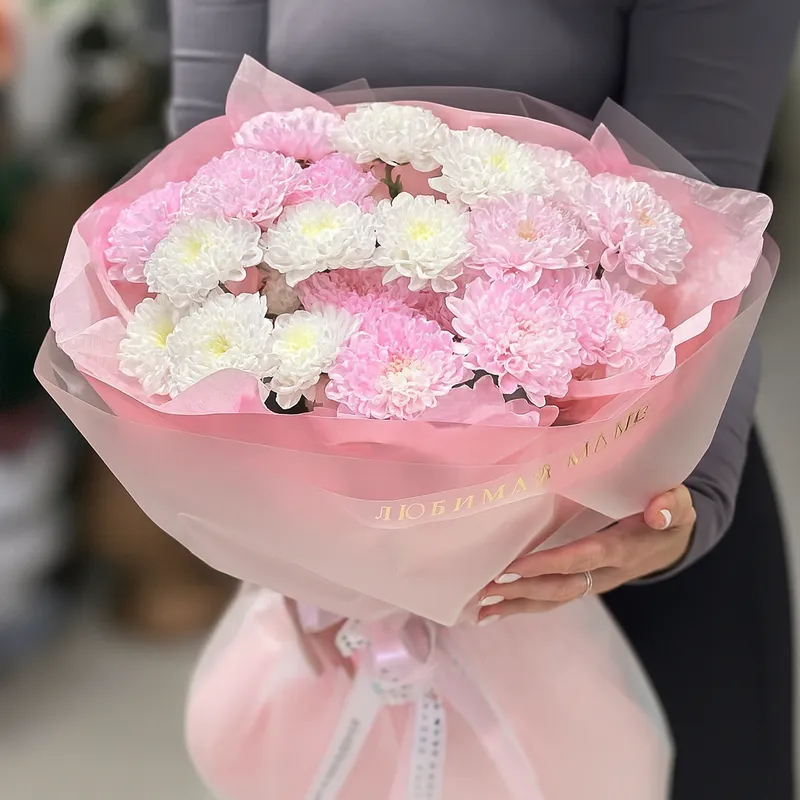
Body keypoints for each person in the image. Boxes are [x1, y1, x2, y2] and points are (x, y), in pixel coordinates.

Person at [169, 1, 799, 796]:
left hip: (608, 505)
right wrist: (233, 463)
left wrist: (692, 499)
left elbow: (702, 229)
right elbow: (199, 175)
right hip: (322, 490)